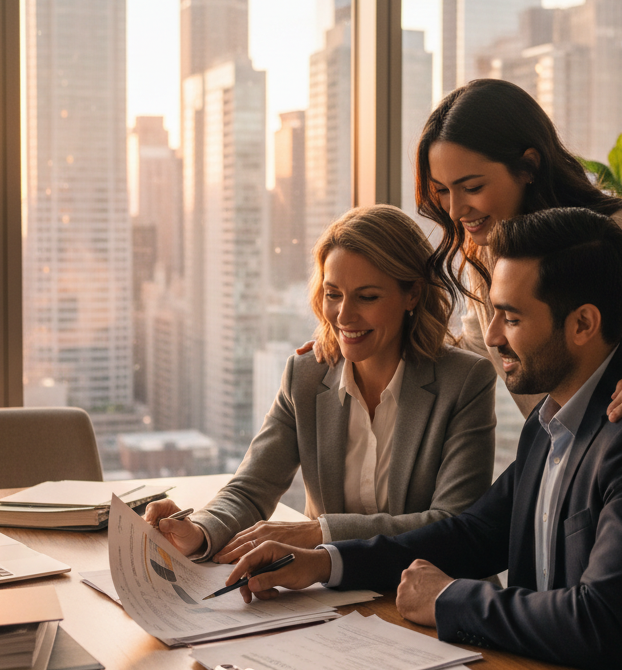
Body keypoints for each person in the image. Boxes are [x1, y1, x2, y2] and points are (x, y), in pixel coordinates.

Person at [225, 208, 622, 670]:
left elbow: (605, 624)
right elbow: (475, 533)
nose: (492, 337)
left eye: (511, 317)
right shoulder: (552, 421)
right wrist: (324, 563)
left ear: (583, 324)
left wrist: (447, 598)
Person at [145, 204, 497, 562]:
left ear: (413, 294)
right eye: (333, 294)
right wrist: (200, 531)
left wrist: (320, 533)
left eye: (367, 296)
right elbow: (252, 488)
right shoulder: (306, 375)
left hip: (426, 596)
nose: (344, 315)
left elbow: (452, 523)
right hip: (331, 598)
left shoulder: (465, 382)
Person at [415, 78, 622, 423]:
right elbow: (474, 350)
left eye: (472, 187)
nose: (455, 210)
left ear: (528, 166)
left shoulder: (617, 237)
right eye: (441, 191)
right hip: (557, 461)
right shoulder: (486, 249)